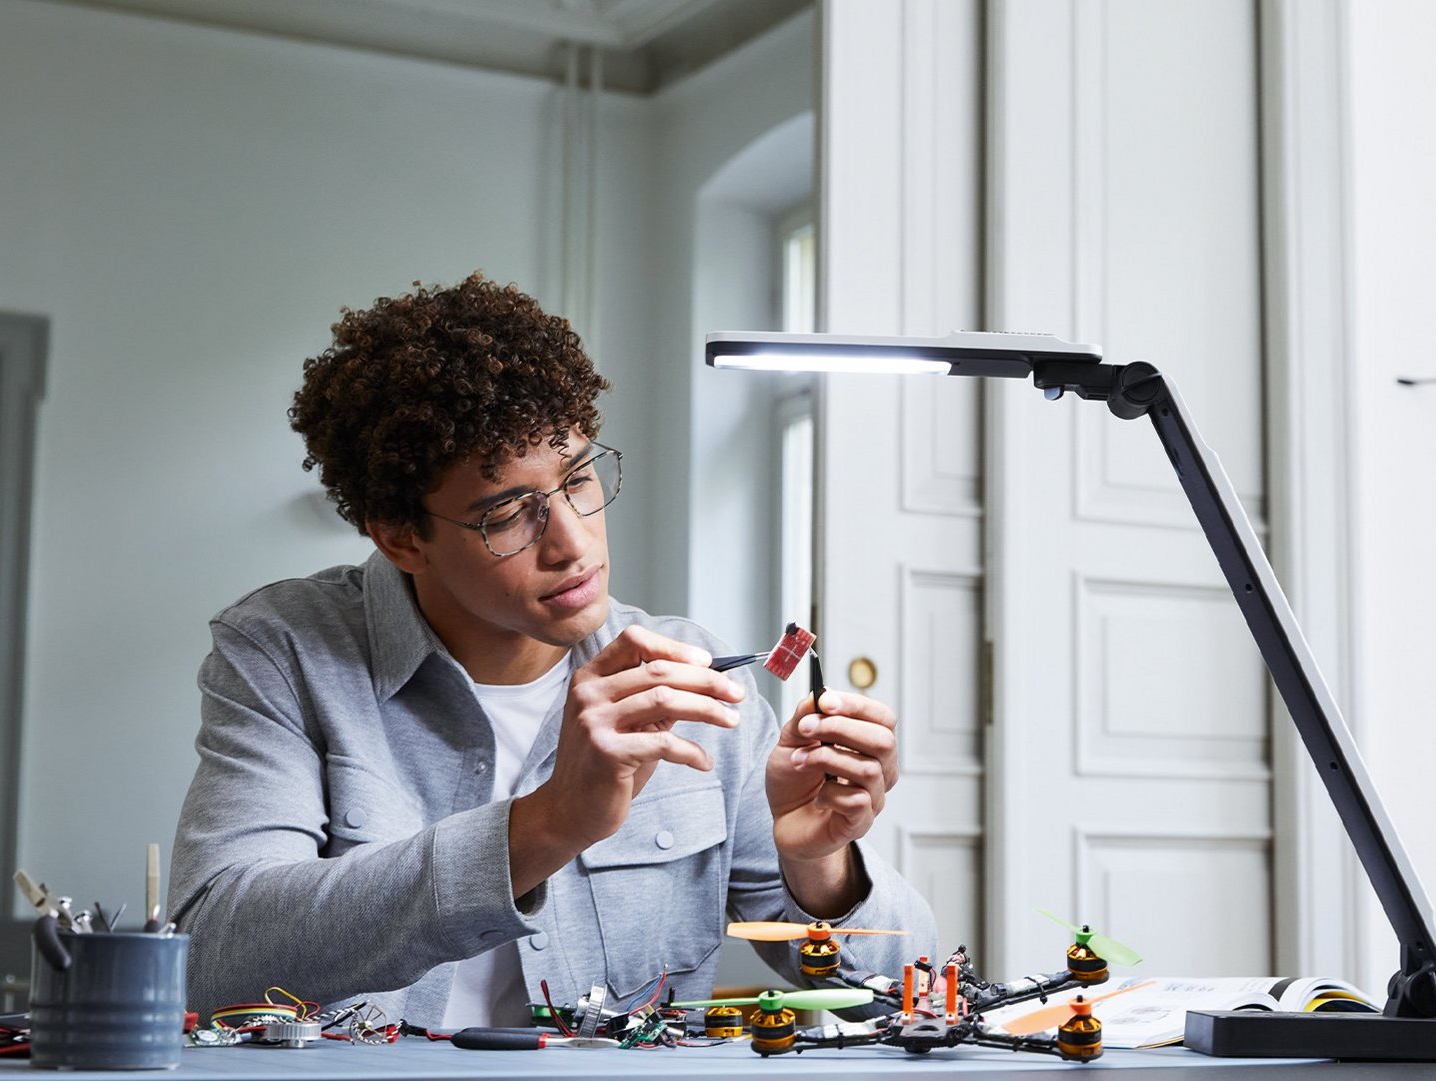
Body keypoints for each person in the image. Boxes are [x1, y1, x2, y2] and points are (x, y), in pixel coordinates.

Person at [169, 273, 937, 1027]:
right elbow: (216, 956)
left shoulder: (690, 676)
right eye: (508, 513)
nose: (573, 543)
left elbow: (911, 991)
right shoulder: (285, 651)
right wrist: (547, 824)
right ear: (403, 536)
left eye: (577, 479)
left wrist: (821, 868)